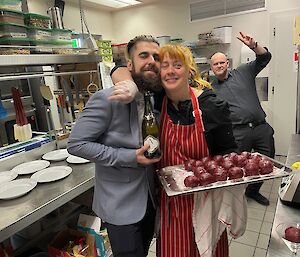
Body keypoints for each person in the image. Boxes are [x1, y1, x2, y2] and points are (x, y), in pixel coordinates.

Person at [111, 44, 247, 257]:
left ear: (189, 70)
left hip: (206, 204)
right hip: (171, 206)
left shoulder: (211, 105)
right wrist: (127, 82)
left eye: (177, 65)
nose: (170, 71)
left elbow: (228, 154)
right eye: (164, 66)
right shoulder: (158, 100)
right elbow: (120, 68)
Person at [67, 35, 162, 257]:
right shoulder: (106, 99)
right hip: (119, 205)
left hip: (149, 200)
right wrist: (130, 157)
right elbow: (76, 144)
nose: (151, 60)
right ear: (130, 65)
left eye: (156, 57)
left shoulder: (153, 96)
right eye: (143, 55)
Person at [210, 32, 275, 206]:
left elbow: (265, 58)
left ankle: (253, 191)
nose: (219, 66)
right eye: (215, 64)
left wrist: (253, 46)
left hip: (261, 127)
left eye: (222, 62)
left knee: (266, 163)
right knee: (237, 166)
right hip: (238, 132)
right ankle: (237, 196)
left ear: (228, 63)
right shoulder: (210, 88)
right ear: (211, 67)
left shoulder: (243, 72)